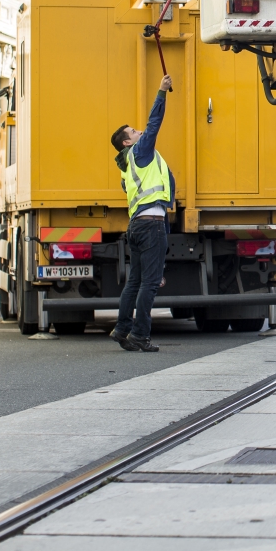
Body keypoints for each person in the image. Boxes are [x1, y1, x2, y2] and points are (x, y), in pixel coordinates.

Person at [109, 73, 175, 353]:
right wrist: (161, 92)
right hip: (150, 226)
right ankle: (139, 335)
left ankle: (123, 328)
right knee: (148, 283)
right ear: (127, 142)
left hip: (137, 226)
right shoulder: (141, 152)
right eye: (133, 132)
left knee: (134, 281)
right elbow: (154, 125)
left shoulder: (127, 167)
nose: (139, 133)